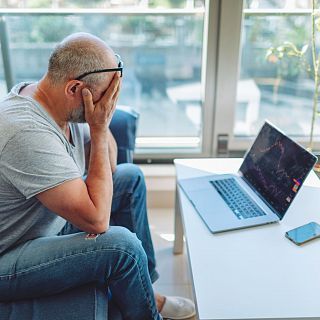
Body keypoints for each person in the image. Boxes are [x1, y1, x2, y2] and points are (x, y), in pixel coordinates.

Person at [0, 33, 195, 320]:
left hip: (45, 224)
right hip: (11, 255)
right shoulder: (25, 131)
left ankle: (144, 288)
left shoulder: (57, 100)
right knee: (122, 247)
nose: (108, 104)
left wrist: (99, 124)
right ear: (75, 88)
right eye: (105, 94)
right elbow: (97, 219)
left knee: (130, 179)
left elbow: (112, 166)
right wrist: (101, 128)